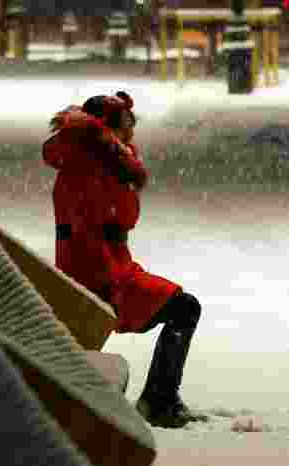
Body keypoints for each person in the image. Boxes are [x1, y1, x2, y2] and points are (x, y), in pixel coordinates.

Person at [42, 91, 206, 429]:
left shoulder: (79, 158)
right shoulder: (96, 163)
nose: (132, 135)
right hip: (101, 279)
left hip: (95, 270)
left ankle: (160, 400)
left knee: (183, 306)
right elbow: (124, 217)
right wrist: (124, 167)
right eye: (127, 127)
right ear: (111, 129)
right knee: (185, 308)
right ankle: (159, 402)